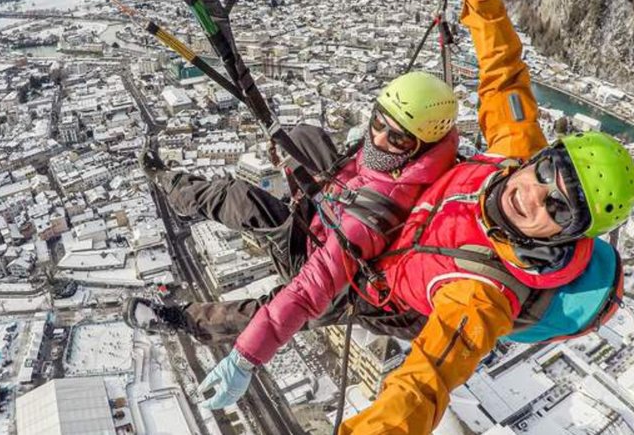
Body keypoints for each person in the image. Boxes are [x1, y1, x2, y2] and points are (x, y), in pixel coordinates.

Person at [187, 0, 634, 433]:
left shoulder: (479, 300)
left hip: (389, 292)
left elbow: (419, 391)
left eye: (559, 211)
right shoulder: (515, 152)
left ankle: (196, 323)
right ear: (543, 156)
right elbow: (504, 73)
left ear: (568, 235)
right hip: (410, 223)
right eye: (549, 174)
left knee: (302, 288)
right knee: (304, 145)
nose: (532, 196)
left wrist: (249, 359)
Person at [130, 70, 462, 407]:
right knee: (304, 138)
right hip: (341, 225)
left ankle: (180, 319)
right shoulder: (419, 159)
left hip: (355, 284)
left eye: (397, 139)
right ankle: (286, 188)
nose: (379, 139)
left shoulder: (374, 216)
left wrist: (244, 360)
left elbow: (306, 293)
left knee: (247, 209)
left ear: (422, 145)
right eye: (377, 122)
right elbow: (365, 172)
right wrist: (307, 173)